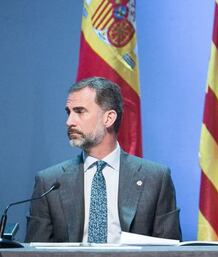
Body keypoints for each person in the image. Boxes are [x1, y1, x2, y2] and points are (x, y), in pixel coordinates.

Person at [25, 77, 181, 243]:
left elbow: (170, 250)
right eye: (68, 112)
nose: (69, 122)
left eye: (79, 111)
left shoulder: (155, 178)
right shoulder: (49, 182)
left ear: (109, 118)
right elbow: (34, 251)